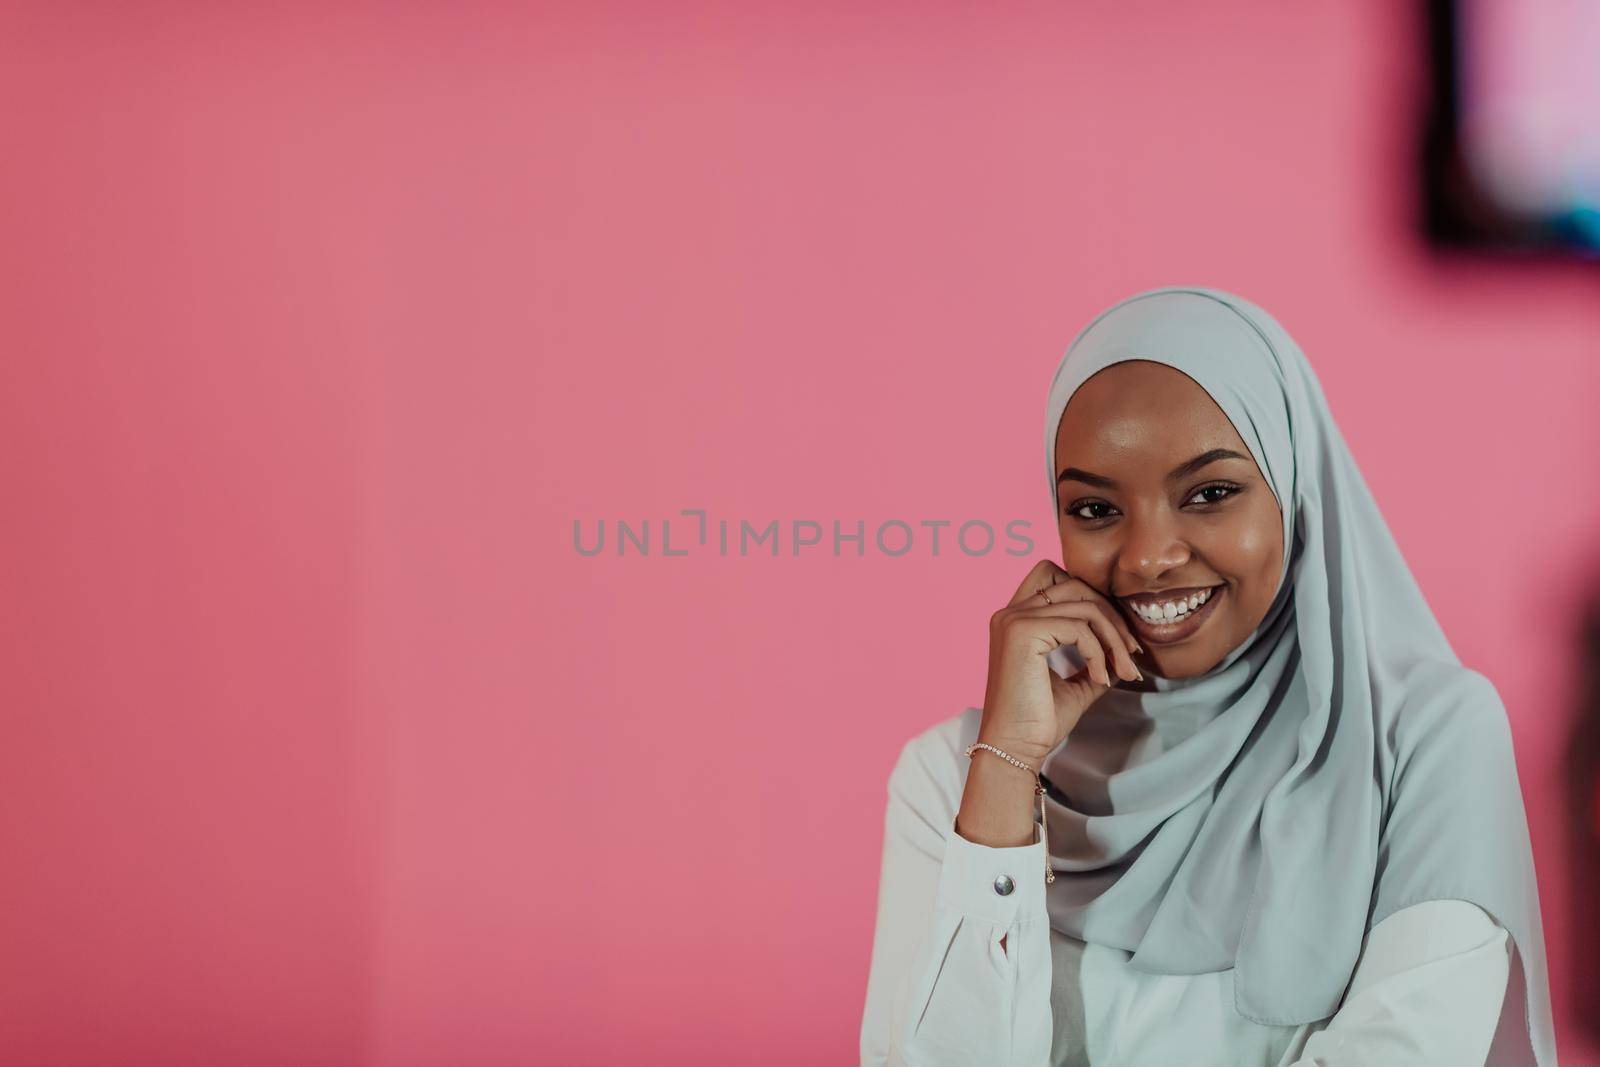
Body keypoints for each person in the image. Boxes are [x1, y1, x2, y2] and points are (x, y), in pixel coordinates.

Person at [858, 287, 1558, 1066]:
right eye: (1095, 508)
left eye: (1212, 493)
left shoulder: (1420, 741)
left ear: (1296, 489)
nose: (1150, 555)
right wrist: (1008, 769)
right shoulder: (951, 779)